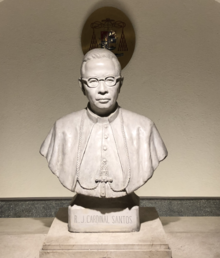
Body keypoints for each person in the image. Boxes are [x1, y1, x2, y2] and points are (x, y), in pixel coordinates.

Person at [40, 48, 168, 198]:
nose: (102, 90)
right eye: (93, 81)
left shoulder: (144, 129)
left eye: (110, 80)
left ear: (120, 84)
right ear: (82, 86)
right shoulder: (62, 129)